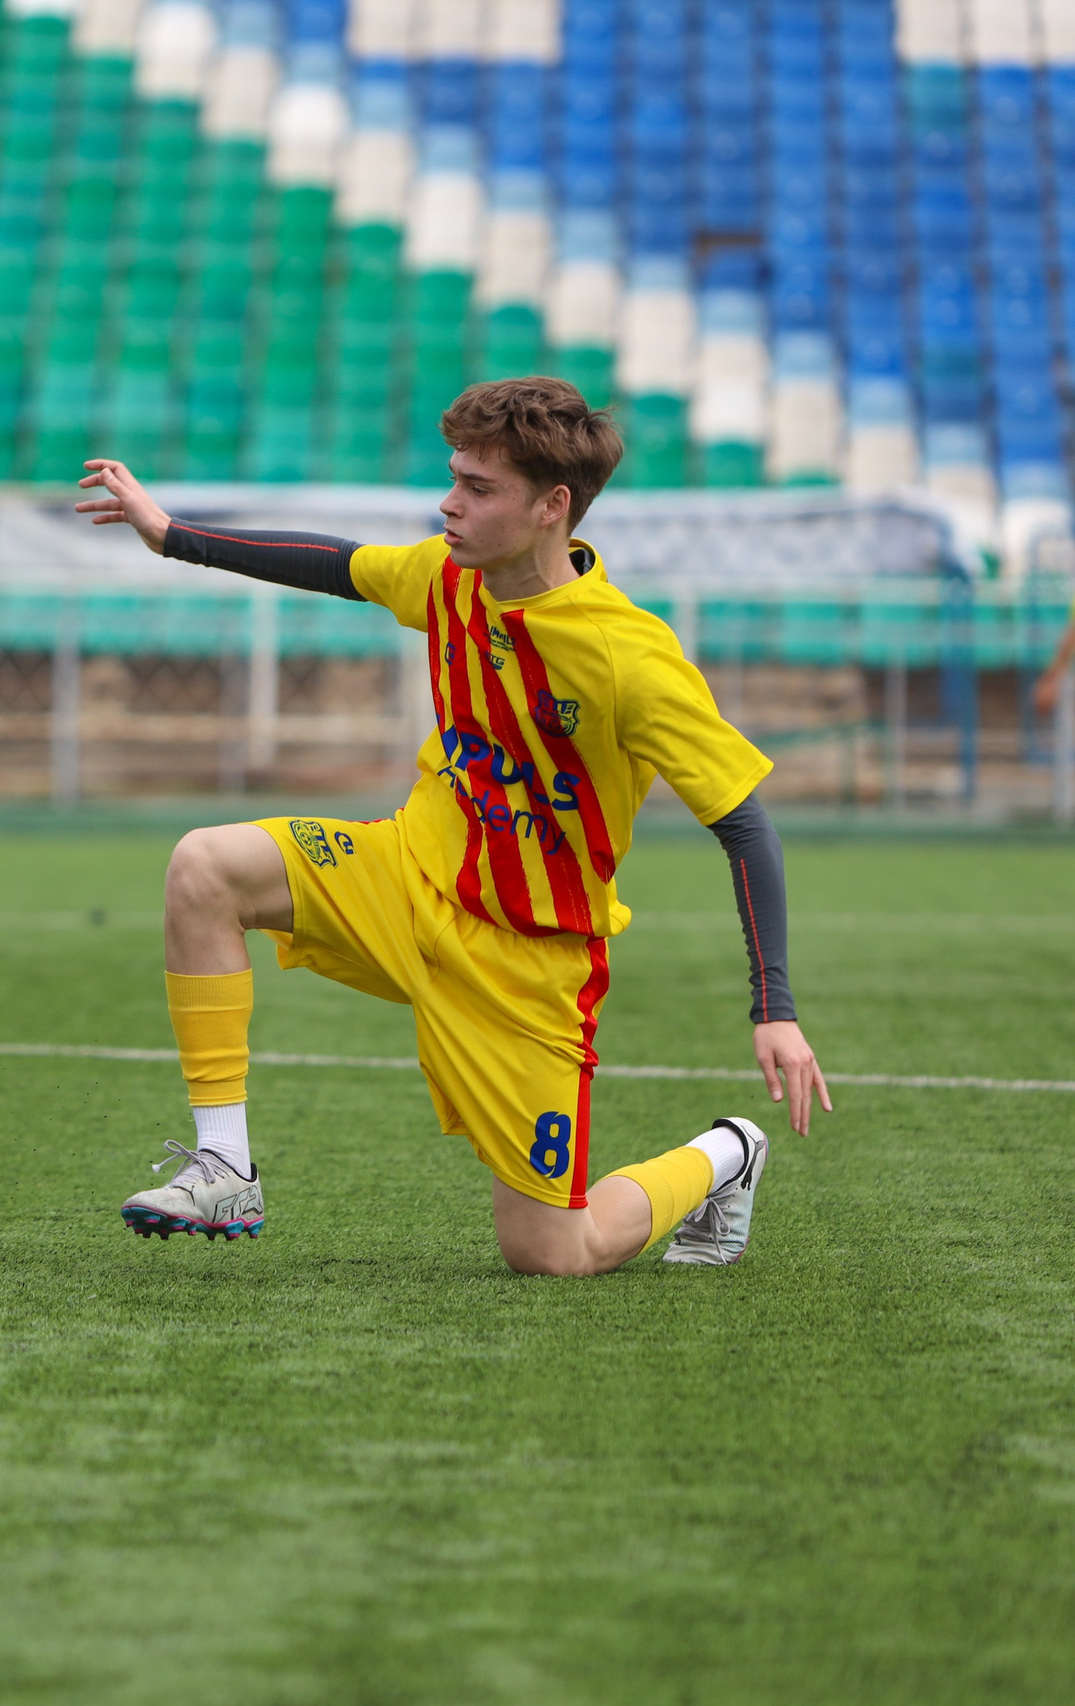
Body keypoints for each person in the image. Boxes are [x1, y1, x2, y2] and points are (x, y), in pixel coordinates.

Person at [75, 377, 832, 1275]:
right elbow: (334, 562)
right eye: (454, 477)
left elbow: (746, 828)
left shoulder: (631, 657)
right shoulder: (445, 575)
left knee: (556, 1254)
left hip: (529, 961)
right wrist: (173, 536)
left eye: (479, 488)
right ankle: (224, 1168)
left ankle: (726, 1154)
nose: (450, 502)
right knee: (206, 865)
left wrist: (774, 1007)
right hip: (404, 876)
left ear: (554, 507)